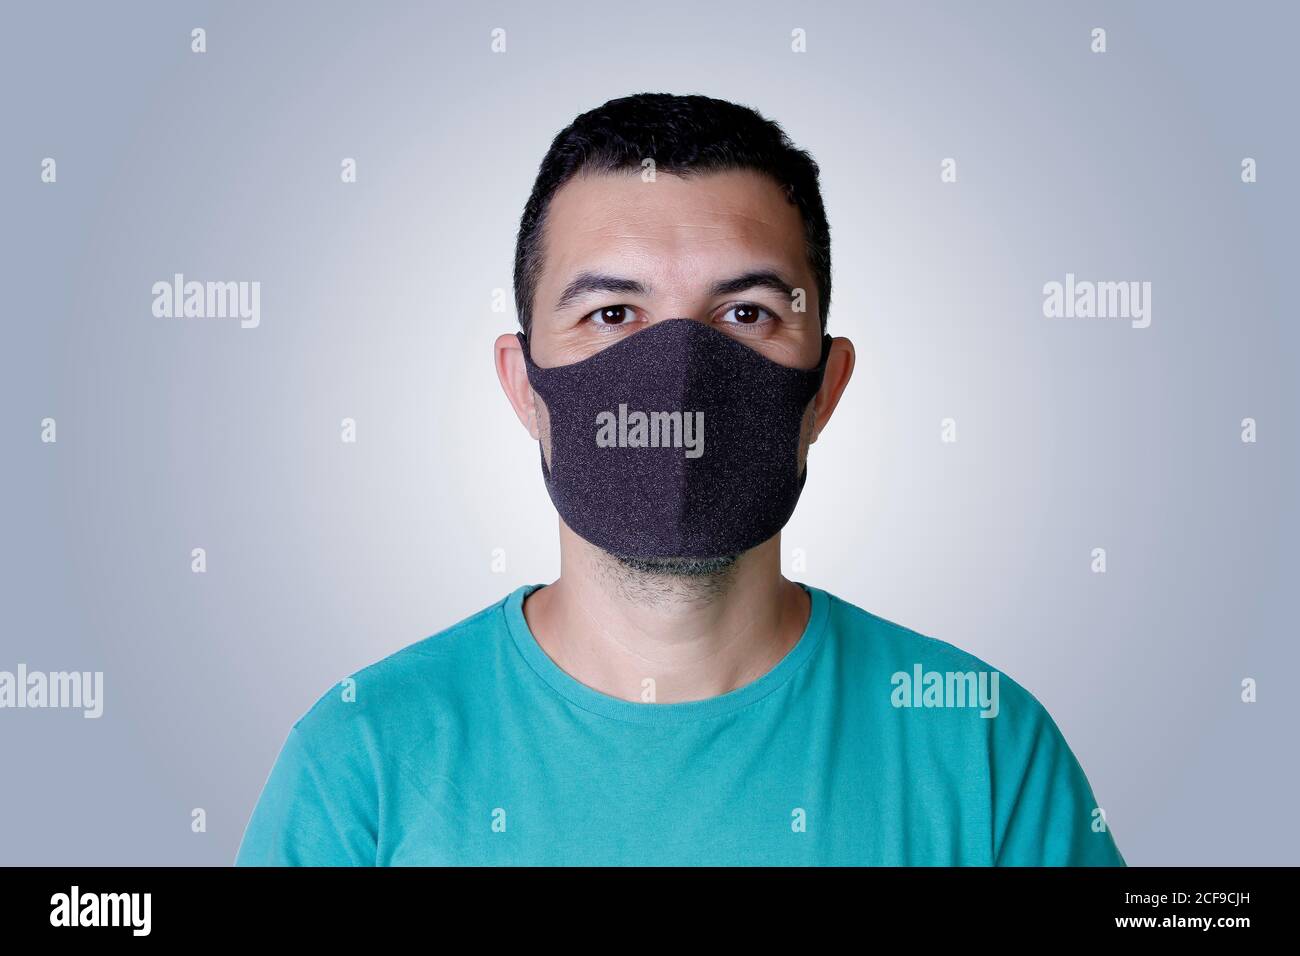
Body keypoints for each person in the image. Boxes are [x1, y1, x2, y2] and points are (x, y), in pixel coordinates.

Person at [235, 92, 1126, 866]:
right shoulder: (363, 763)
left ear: (825, 387)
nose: (681, 375)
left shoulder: (982, 750)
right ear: (523, 386)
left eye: (746, 313)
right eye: (612, 313)